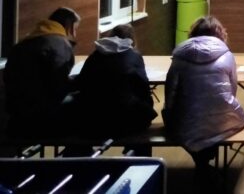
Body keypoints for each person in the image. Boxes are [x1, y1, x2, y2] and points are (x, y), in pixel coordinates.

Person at [163, 16, 244, 184]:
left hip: (186, 120)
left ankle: (202, 163)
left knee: (186, 124)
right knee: (221, 121)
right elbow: (232, 90)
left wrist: (168, 116)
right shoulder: (227, 55)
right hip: (222, 119)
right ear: (220, 33)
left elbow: (170, 92)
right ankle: (206, 161)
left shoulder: (179, 56)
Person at [3, 7, 81, 137]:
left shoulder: (24, 43)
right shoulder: (60, 43)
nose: (75, 34)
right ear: (69, 26)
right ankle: (77, 147)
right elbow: (58, 85)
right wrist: (77, 81)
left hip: (15, 111)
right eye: (75, 29)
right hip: (41, 113)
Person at [76, 24, 156, 138]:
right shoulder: (134, 56)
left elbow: (81, 82)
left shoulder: (96, 55)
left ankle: (80, 149)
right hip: (127, 120)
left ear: (111, 36)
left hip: (94, 119)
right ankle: (140, 148)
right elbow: (143, 87)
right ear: (132, 39)